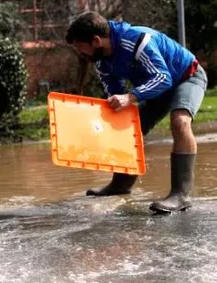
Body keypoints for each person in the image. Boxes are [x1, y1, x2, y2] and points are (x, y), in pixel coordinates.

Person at [65, 11, 207, 214]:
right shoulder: (100, 60)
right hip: (157, 87)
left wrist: (130, 97)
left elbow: (163, 77)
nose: (82, 54)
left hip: (186, 77)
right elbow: (114, 91)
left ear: (96, 41)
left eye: (81, 48)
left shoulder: (137, 40)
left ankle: (180, 195)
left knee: (179, 121)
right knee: (126, 125)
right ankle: (121, 185)